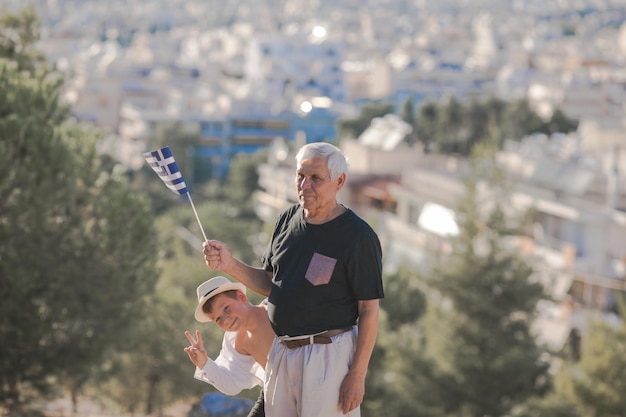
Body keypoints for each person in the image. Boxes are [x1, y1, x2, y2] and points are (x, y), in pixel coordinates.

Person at [203, 142, 384, 417]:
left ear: (339, 181)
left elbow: (369, 311)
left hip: (328, 358)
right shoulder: (287, 219)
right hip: (282, 354)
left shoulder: (358, 236)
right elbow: (269, 284)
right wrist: (229, 264)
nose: (304, 185)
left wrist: (357, 375)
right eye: (300, 175)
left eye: (315, 178)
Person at [184, 276, 274, 417]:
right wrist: (205, 363)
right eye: (217, 319)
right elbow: (232, 384)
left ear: (241, 297)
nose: (225, 320)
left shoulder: (274, 312)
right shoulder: (237, 340)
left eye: (226, 308)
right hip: (275, 391)